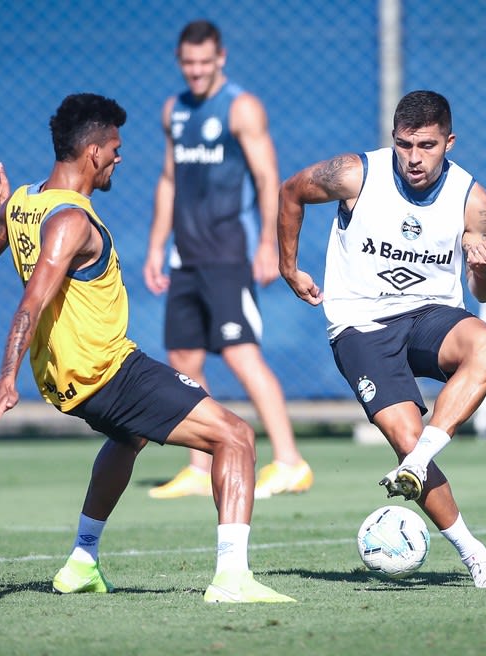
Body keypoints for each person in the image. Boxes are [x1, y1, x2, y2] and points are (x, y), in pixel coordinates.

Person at [0, 92, 294, 604]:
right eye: (114, 147)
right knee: (237, 437)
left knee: (128, 438)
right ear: (92, 153)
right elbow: (31, 301)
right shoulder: (71, 221)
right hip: (106, 371)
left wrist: (0, 210)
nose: (119, 156)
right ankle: (232, 579)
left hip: (68, 380)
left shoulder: (25, 201)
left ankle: (81, 562)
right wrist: (6, 379)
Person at [277, 90, 486, 589]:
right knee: (406, 435)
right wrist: (289, 267)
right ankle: (475, 555)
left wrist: (484, 265)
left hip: (429, 313)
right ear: (393, 140)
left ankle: (418, 463)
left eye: (427, 146)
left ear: (449, 142)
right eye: (405, 145)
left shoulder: (474, 200)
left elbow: (484, 294)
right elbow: (292, 191)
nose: (414, 158)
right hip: (361, 324)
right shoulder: (356, 175)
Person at [142, 20, 313, 501]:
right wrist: (157, 246)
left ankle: (289, 461)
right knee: (183, 359)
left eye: (205, 63)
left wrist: (267, 246)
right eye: (188, 64)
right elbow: (169, 180)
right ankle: (198, 466)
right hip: (185, 257)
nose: (196, 72)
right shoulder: (174, 110)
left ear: (221, 58)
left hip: (229, 254)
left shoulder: (242, 107)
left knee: (240, 354)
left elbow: (267, 178)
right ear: (181, 62)